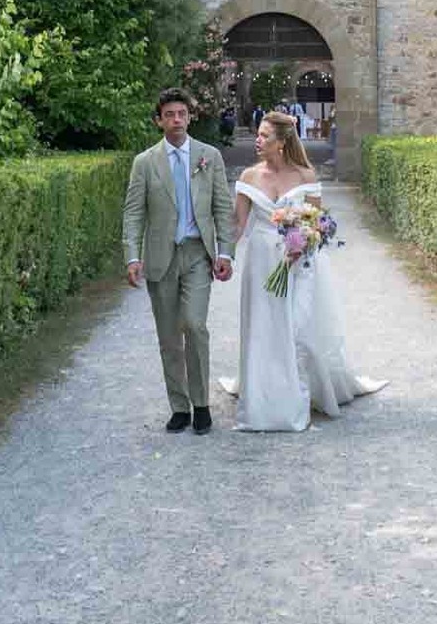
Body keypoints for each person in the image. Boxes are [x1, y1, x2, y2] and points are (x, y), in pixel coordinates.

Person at [219, 111, 386, 431]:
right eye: (258, 134)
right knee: (265, 326)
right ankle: (267, 396)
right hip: (262, 260)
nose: (258, 140)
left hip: (300, 262)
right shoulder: (248, 177)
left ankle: (303, 388)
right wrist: (224, 255)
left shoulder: (306, 176)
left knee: (300, 328)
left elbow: (315, 222)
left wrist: (301, 245)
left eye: (265, 136)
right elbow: (237, 225)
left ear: (281, 143)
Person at [123, 88, 235, 435]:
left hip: (197, 254)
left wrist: (225, 251)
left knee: (195, 325)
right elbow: (133, 213)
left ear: (189, 117)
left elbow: (221, 207)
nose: (176, 120)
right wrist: (132, 256)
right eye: (169, 114)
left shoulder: (209, 156)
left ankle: (201, 405)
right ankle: (179, 407)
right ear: (159, 120)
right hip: (160, 258)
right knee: (169, 337)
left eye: (181, 114)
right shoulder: (145, 162)